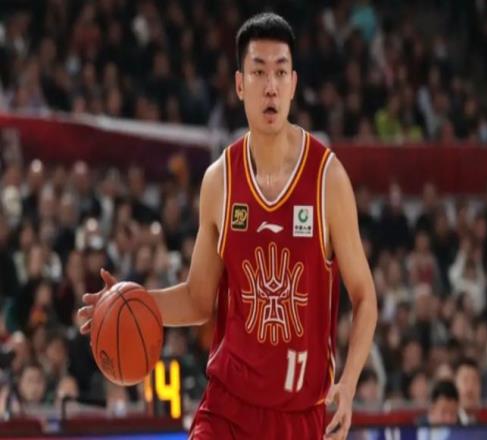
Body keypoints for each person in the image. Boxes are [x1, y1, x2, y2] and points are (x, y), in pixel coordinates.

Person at [78, 12, 377, 440]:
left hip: (300, 416)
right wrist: (126, 302)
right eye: (259, 72)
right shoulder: (220, 180)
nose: (270, 86)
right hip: (227, 409)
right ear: (239, 84)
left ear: (294, 84)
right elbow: (199, 299)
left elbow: (365, 296)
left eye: (281, 73)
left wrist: (348, 384)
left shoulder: (327, 180)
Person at [454, 357, 481, 425]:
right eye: (465, 380)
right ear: (455, 384)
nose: (470, 388)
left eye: (475, 381)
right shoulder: (448, 423)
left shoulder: (486, 426)